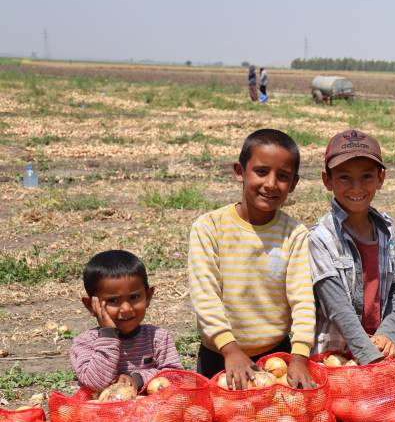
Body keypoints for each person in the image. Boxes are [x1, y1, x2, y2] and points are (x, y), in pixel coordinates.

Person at [188, 128, 316, 389]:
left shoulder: (294, 234)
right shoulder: (209, 227)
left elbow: (302, 299)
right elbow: (205, 297)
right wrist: (230, 350)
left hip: (276, 355)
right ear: (240, 172)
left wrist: (300, 355)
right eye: (261, 172)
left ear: (293, 184)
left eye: (282, 177)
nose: (270, 184)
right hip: (221, 355)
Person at [308, 130, 395, 364]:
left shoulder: (389, 231)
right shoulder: (321, 238)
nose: (356, 187)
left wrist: (388, 334)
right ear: (327, 180)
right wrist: (369, 356)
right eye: (344, 177)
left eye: (366, 177)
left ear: (380, 178)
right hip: (336, 356)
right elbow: (338, 308)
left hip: (382, 349)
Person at [70, 250, 182, 393]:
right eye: (113, 300)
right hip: (104, 414)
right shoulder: (85, 343)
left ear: (148, 296)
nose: (126, 309)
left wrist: (138, 379)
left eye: (134, 297)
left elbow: (176, 376)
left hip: (152, 412)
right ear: (90, 305)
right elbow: (94, 384)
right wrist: (108, 335)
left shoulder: (158, 338)